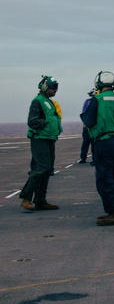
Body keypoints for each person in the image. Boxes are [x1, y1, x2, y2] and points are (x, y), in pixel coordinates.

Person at [19, 76, 63, 212]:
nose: (55, 90)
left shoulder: (48, 102)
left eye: (56, 87)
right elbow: (32, 121)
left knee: (47, 169)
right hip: (40, 138)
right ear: (44, 87)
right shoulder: (37, 101)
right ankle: (26, 198)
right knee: (41, 168)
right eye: (53, 87)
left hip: (49, 138)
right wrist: (47, 123)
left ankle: (40, 201)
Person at [89, 71, 114, 226]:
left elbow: (89, 120)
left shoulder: (97, 99)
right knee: (112, 175)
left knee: (104, 178)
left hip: (103, 140)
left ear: (98, 83)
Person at [79, 89, 95, 164]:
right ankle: (84, 157)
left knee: (90, 143)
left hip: (89, 126)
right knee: (88, 143)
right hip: (89, 127)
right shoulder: (88, 101)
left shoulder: (88, 101)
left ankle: (86, 158)